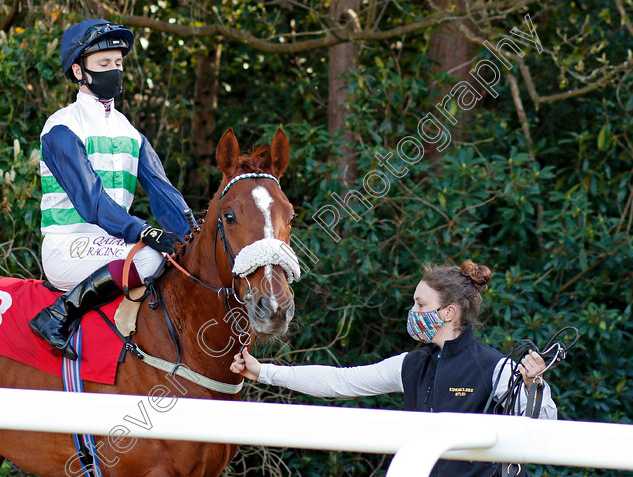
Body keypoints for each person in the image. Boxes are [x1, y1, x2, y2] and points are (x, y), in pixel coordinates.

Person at [231, 261, 557, 476]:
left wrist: (534, 384)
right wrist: (264, 372)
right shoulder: (410, 365)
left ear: (447, 313)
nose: (412, 310)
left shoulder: (496, 367)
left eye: (420, 304)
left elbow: (545, 426)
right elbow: (340, 381)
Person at [30, 19, 194, 359]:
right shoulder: (61, 127)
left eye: (118, 64)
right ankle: (60, 313)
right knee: (151, 258)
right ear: (79, 71)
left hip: (112, 244)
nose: (114, 71)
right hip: (68, 244)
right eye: (104, 65)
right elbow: (91, 202)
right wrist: (143, 231)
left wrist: (193, 234)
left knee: (182, 257)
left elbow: (162, 191)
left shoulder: (129, 131)